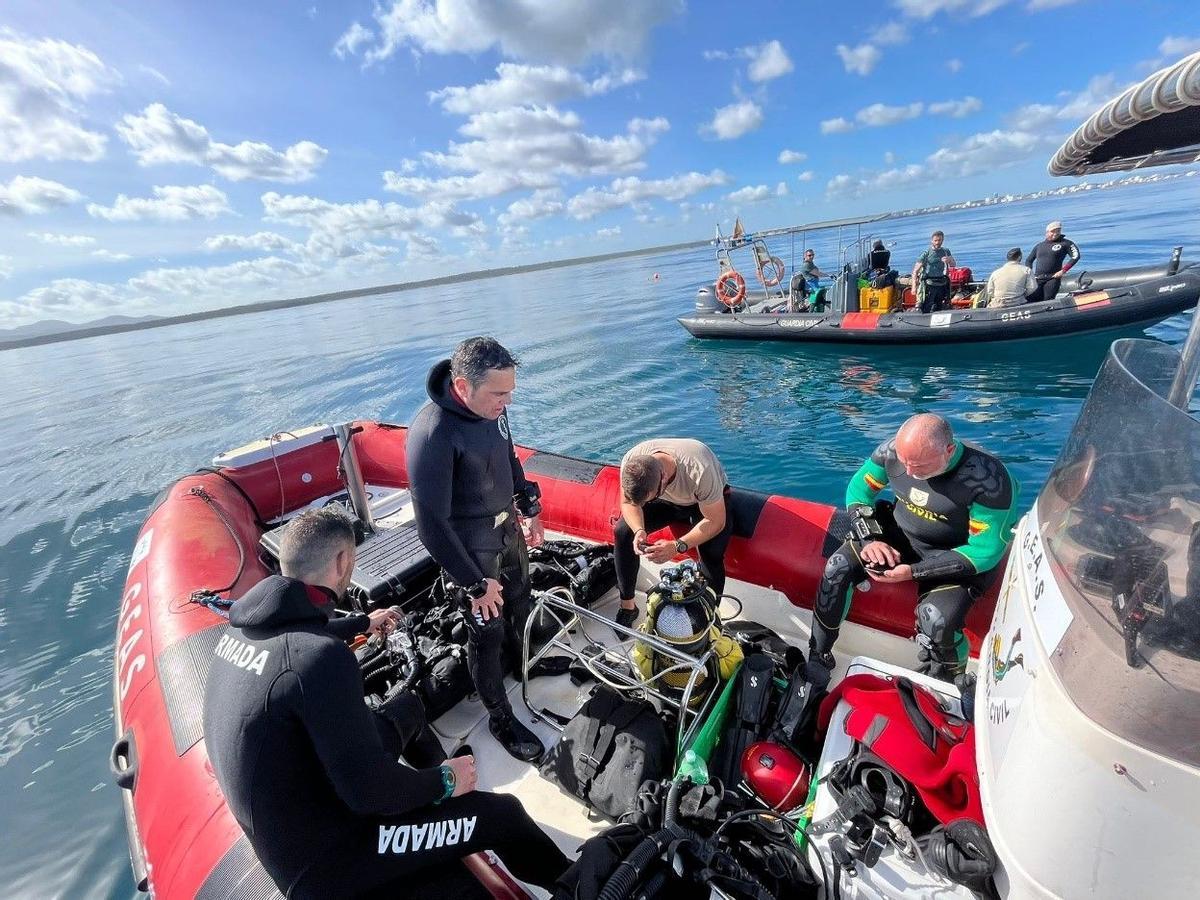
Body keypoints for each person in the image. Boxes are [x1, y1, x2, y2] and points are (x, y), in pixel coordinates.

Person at [202, 508, 570, 899]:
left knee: (408, 707)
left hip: (304, 804)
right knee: (504, 814)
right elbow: (368, 793)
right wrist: (442, 784)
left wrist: (362, 623)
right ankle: (579, 883)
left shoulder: (243, 630)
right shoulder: (319, 660)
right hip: (332, 858)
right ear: (344, 561)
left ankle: (449, 789)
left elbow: (301, 631)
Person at [407, 336, 547, 763]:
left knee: (522, 603)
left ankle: (525, 665)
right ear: (464, 387)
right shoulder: (434, 433)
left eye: (510, 392)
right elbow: (429, 525)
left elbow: (508, 459)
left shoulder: (494, 413)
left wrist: (531, 505)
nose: (506, 403)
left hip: (508, 533)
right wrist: (473, 584)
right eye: (498, 394)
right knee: (486, 635)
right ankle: (500, 718)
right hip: (470, 552)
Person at [809, 414, 1018, 681]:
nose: (908, 473)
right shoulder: (892, 452)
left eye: (919, 466)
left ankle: (944, 682)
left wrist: (913, 572)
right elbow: (858, 492)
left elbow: (985, 552)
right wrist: (871, 540)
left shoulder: (987, 480)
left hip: (955, 554)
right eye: (905, 463)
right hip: (899, 535)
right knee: (837, 568)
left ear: (949, 451)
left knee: (936, 619)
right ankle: (818, 654)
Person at [614, 439, 733, 628]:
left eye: (648, 500)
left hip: (701, 502)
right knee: (622, 531)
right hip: (666, 501)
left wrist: (678, 546)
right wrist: (639, 530)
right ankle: (628, 606)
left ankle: (710, 616)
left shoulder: (699, 467)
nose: (644, 505)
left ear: (662, 479)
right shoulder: (632, 462)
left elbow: (716, 521)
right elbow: (629, 504)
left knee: (712, 553)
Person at [1024, 220, 1081, 303]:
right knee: (1031, 301)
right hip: (1038, 279)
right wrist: (1030, 274)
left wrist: (1063, 270)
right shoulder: (1039, 246)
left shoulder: (1066, 243)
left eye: (1058, 231)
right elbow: (1029, 260)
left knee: (1047, 301)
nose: (1055, 233)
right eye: (1052, 231)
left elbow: (1076, 256)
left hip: (1053, 278)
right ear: (1047, 232)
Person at [912, 231, 957, 313]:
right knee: (927, 306)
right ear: (932, 241)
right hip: (929, 283)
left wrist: (949, 260)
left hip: (941, 282)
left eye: (939, 240)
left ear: (942, 240)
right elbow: (915, 271)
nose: (937, 243)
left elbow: (953, 264)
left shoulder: (946, 251)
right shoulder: (926, 254)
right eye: (935, 240)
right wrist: (914, 287)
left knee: (940, 305)